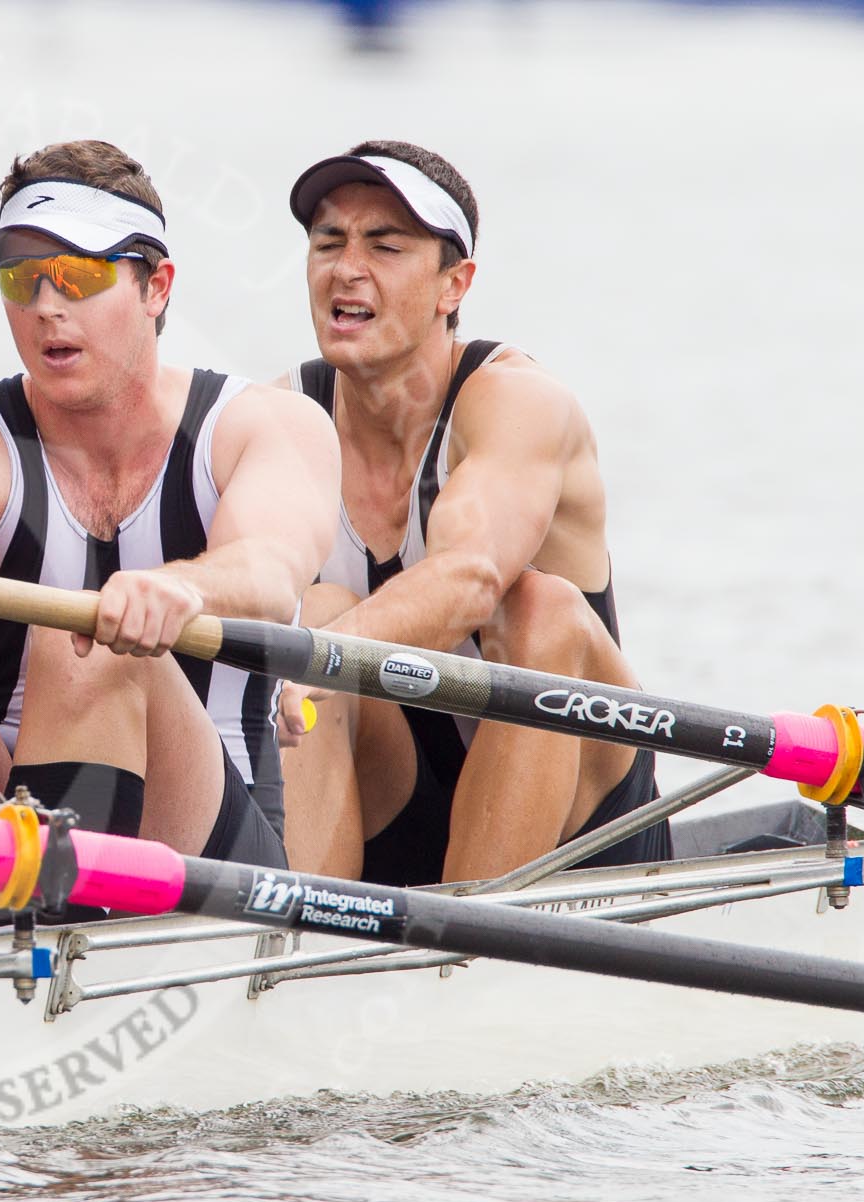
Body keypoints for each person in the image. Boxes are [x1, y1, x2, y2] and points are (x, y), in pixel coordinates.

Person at [0, 139, 340, 942]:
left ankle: (40, 963)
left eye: (82, 277)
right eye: (22, 279)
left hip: (205, 855)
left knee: (85, 643)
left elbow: (269, 569)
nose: (47, 306)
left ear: (156, 287)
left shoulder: (262, 426)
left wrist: (180, 588)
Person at [277, 142, 671, 885]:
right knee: (312, 607)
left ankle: (473, 953)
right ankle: (298, 948)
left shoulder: (518, 403)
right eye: (328, 242)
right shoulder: (280, 420)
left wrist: (313, 663)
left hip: (581, 836)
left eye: (384, 246)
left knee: (539, 608)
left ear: (453, 285)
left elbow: (469, 577)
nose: (346, 267)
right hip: (401, 813)